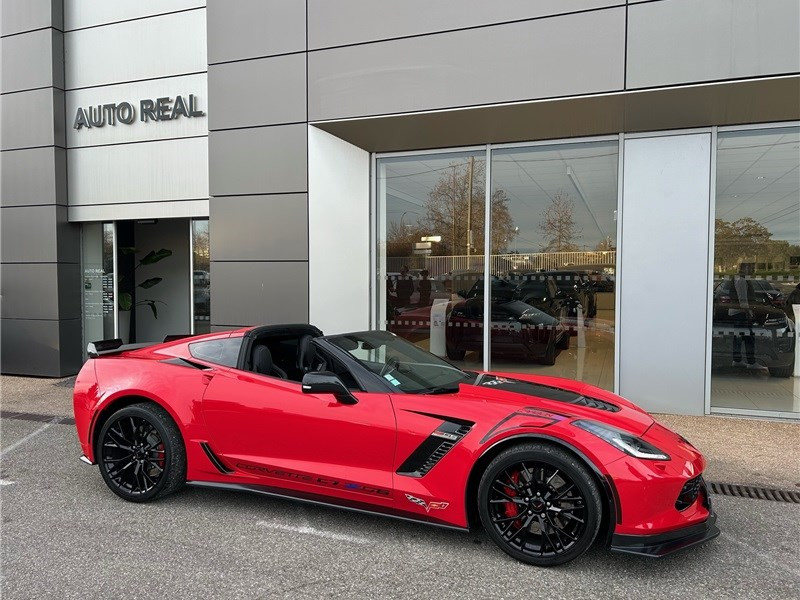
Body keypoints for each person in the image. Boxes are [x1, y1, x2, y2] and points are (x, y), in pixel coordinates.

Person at [728, 264, 758, 369]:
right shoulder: (741, 280)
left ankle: (738, 360)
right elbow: (743, 299)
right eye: (750, 268)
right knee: (748, 337)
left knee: (740, 337)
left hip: (738, 312)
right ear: (744, 268)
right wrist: (748, 313)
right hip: (740, 313)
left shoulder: (740, 278)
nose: (752, 270)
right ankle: (750, 362)